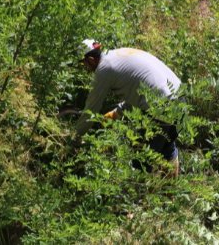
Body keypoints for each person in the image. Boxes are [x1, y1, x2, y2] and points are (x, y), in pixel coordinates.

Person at [75, 40, 182, 177]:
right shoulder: (117, 55)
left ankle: (140, 196)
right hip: (179, 97)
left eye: (85, 65)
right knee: (167, 149)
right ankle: (171, 193)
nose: (87, 69)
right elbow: (140, 88)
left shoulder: (104, 69)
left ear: (90, 59)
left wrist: (75, 136)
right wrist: (117, 112)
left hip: (160, 106)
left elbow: (91, 108)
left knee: (141, 162)